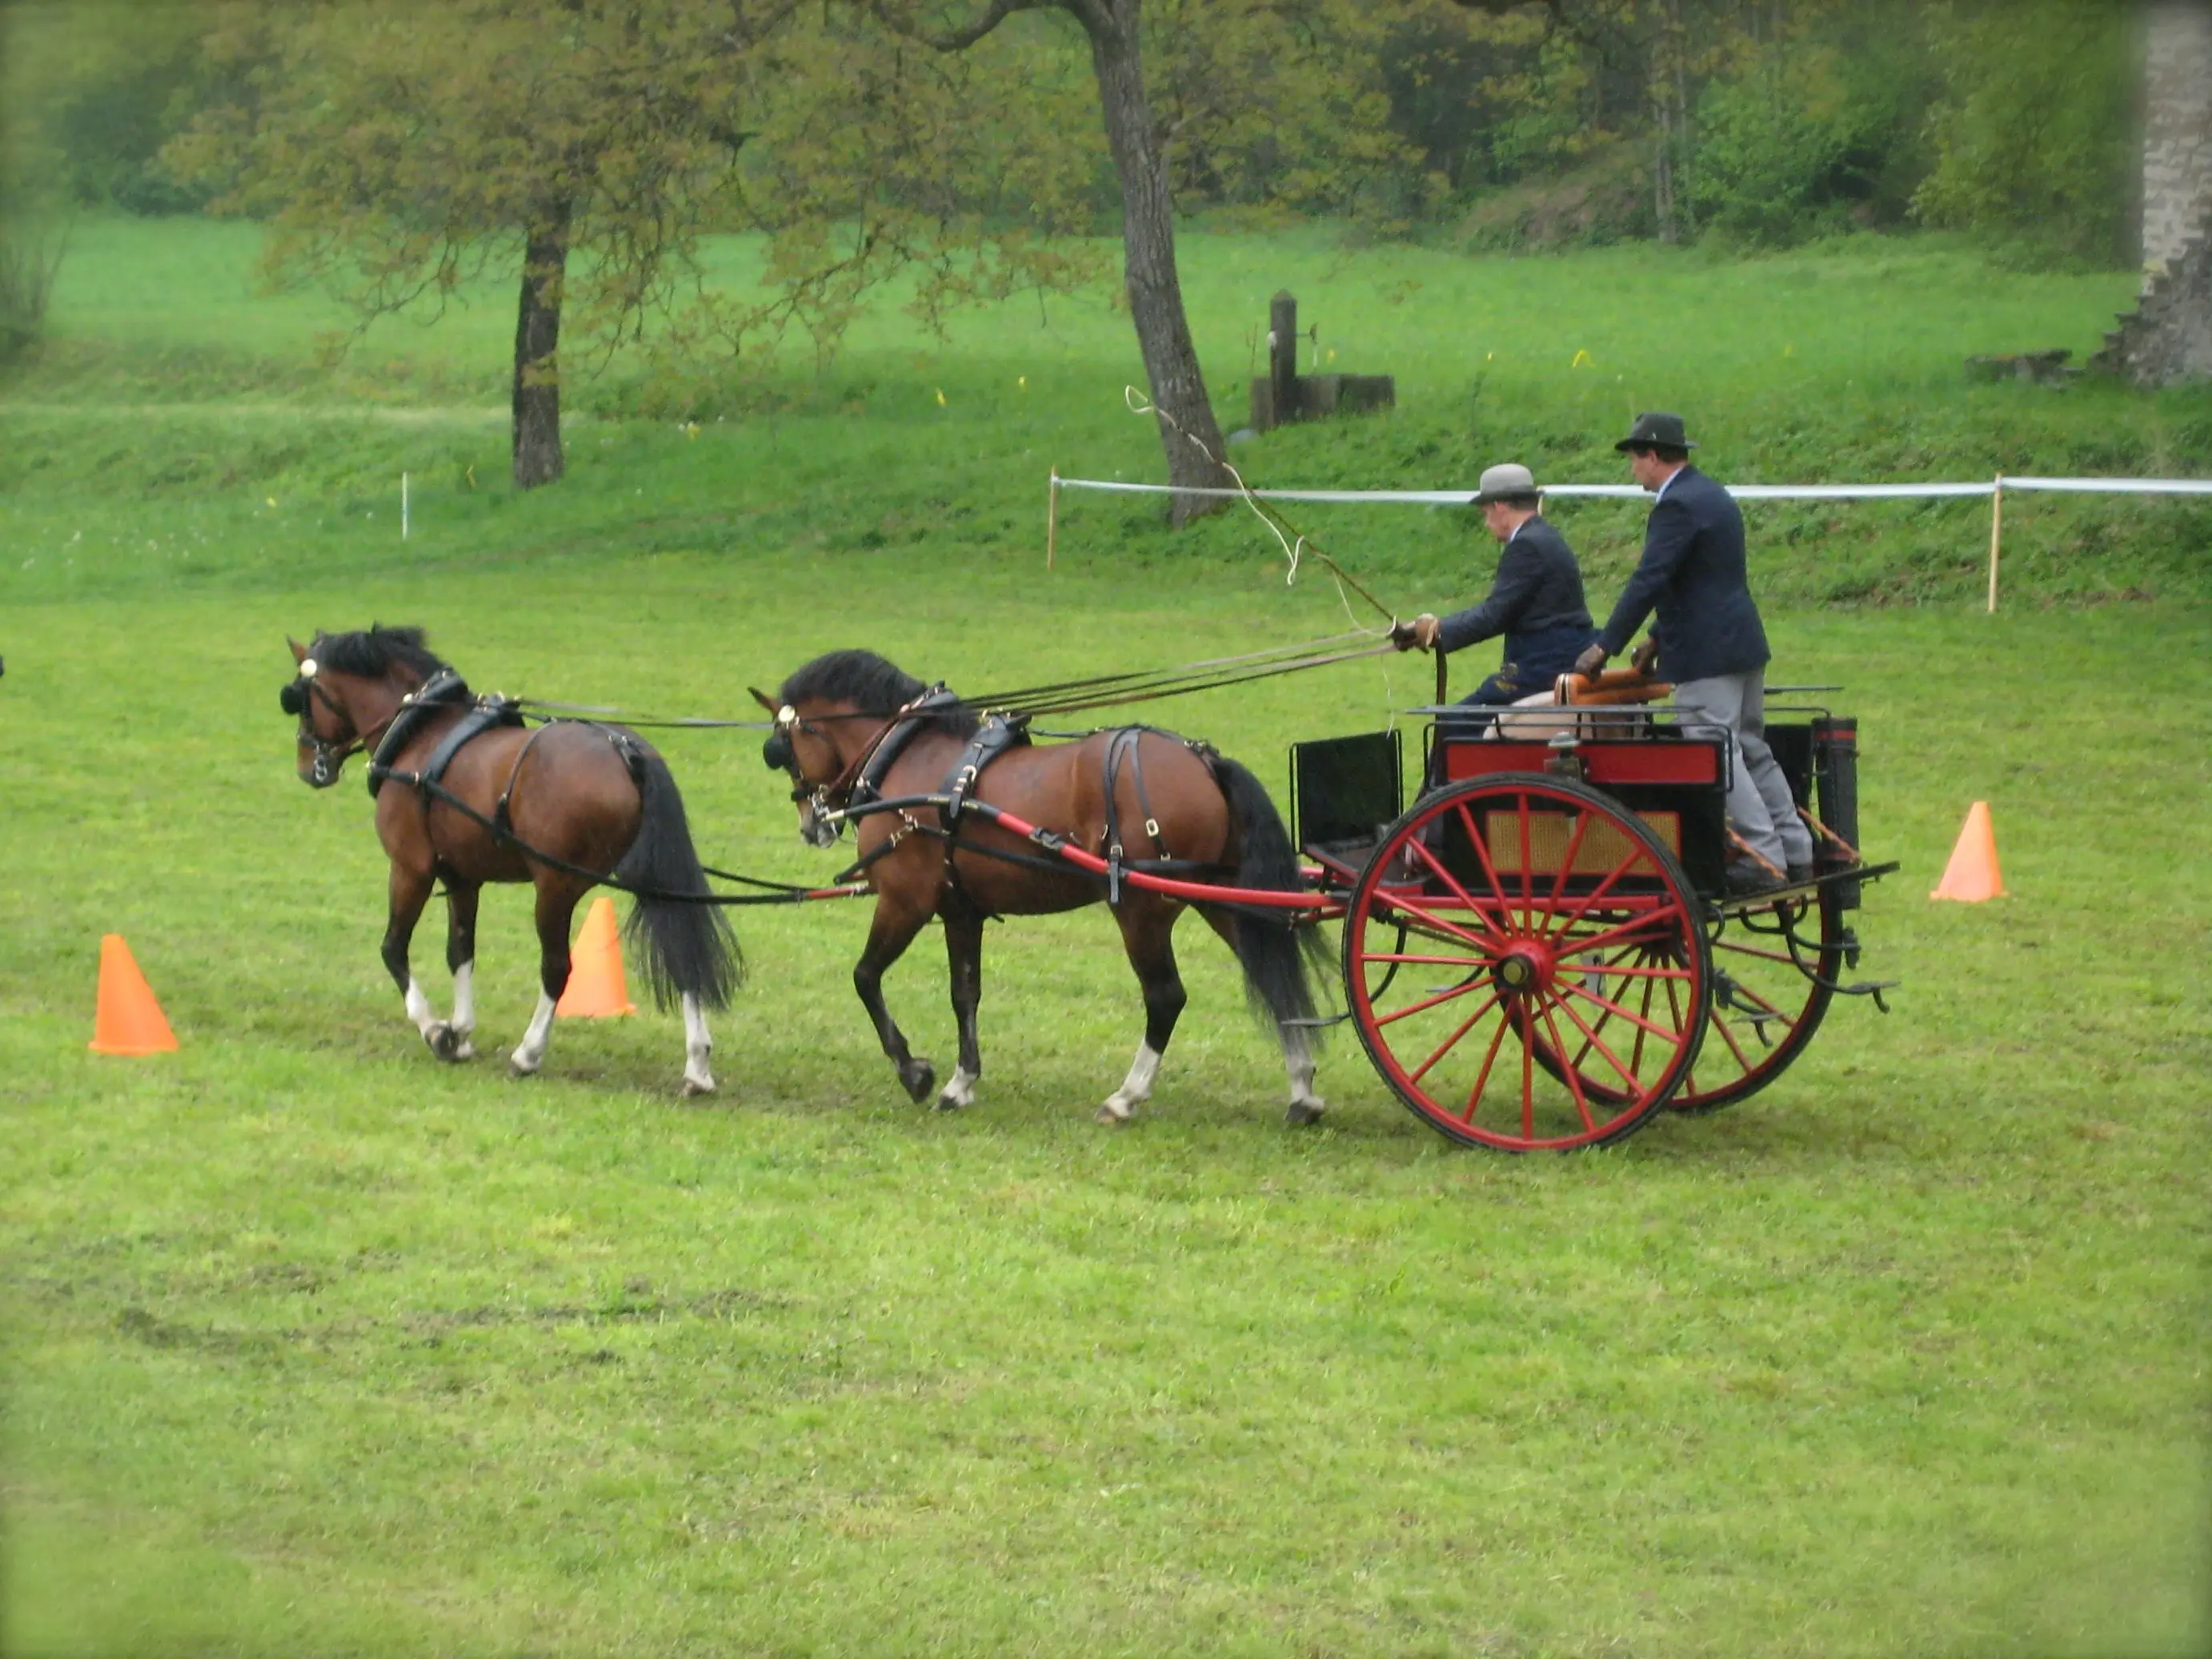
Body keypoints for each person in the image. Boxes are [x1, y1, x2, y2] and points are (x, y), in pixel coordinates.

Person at [1573, 412, 1813, 896]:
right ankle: (1797, 848)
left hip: (1707, 655)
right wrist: (1658, 637)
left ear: (1654, 457)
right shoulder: (1712, 494)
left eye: (1634, 460)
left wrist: (1605, 645)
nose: (1631, 470)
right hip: (1740, 642)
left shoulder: (1676, 506)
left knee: (1715, 750)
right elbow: (1702, 580)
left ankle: (1764, 857)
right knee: (1750, 747)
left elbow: (1652, 578)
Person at [1393, 463, 1598, 756]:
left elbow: (1494, 615)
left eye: (1486, 513)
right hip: (1559, 659)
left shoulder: (1527, 546)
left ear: (1500, 507)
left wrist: (1437, 631)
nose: (1486, 522)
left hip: (1542, 669)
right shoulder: (1545, 537)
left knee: (1451, 724)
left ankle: (1439, 799)